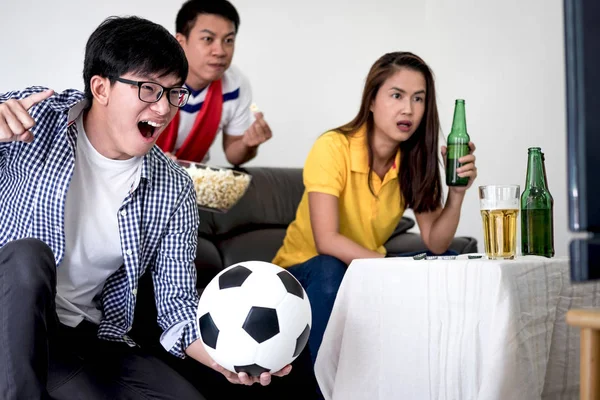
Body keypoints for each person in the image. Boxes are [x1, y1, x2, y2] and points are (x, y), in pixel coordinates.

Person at [0, 16, 288, 400]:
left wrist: (230, 356)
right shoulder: (36, 120)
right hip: (11, 319)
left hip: (85, 335)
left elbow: (176, 304)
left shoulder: (172, 186)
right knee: (26, 254)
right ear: (101, 88)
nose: (164, 107)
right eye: (149, 89)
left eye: (174, 92)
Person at [272, 51, 478, 366]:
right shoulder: (333, 147)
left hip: (366, 272)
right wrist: (397, 272)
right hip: (303, 273)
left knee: (450, 263)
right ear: (371, 101)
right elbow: (327, 240)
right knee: (331, 268)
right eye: (397, 95)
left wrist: (457, 193)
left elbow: (436, 242)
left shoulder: (414, 160)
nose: (408, 109)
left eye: (418, 99)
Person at [155, 0, 272, 165]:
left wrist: (249, 143)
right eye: (208, 39)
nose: (220, 51)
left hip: (194, 181)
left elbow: (233, 154)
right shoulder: (150, 77)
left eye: (228, 40)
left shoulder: (235, 85)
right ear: (180, 42)